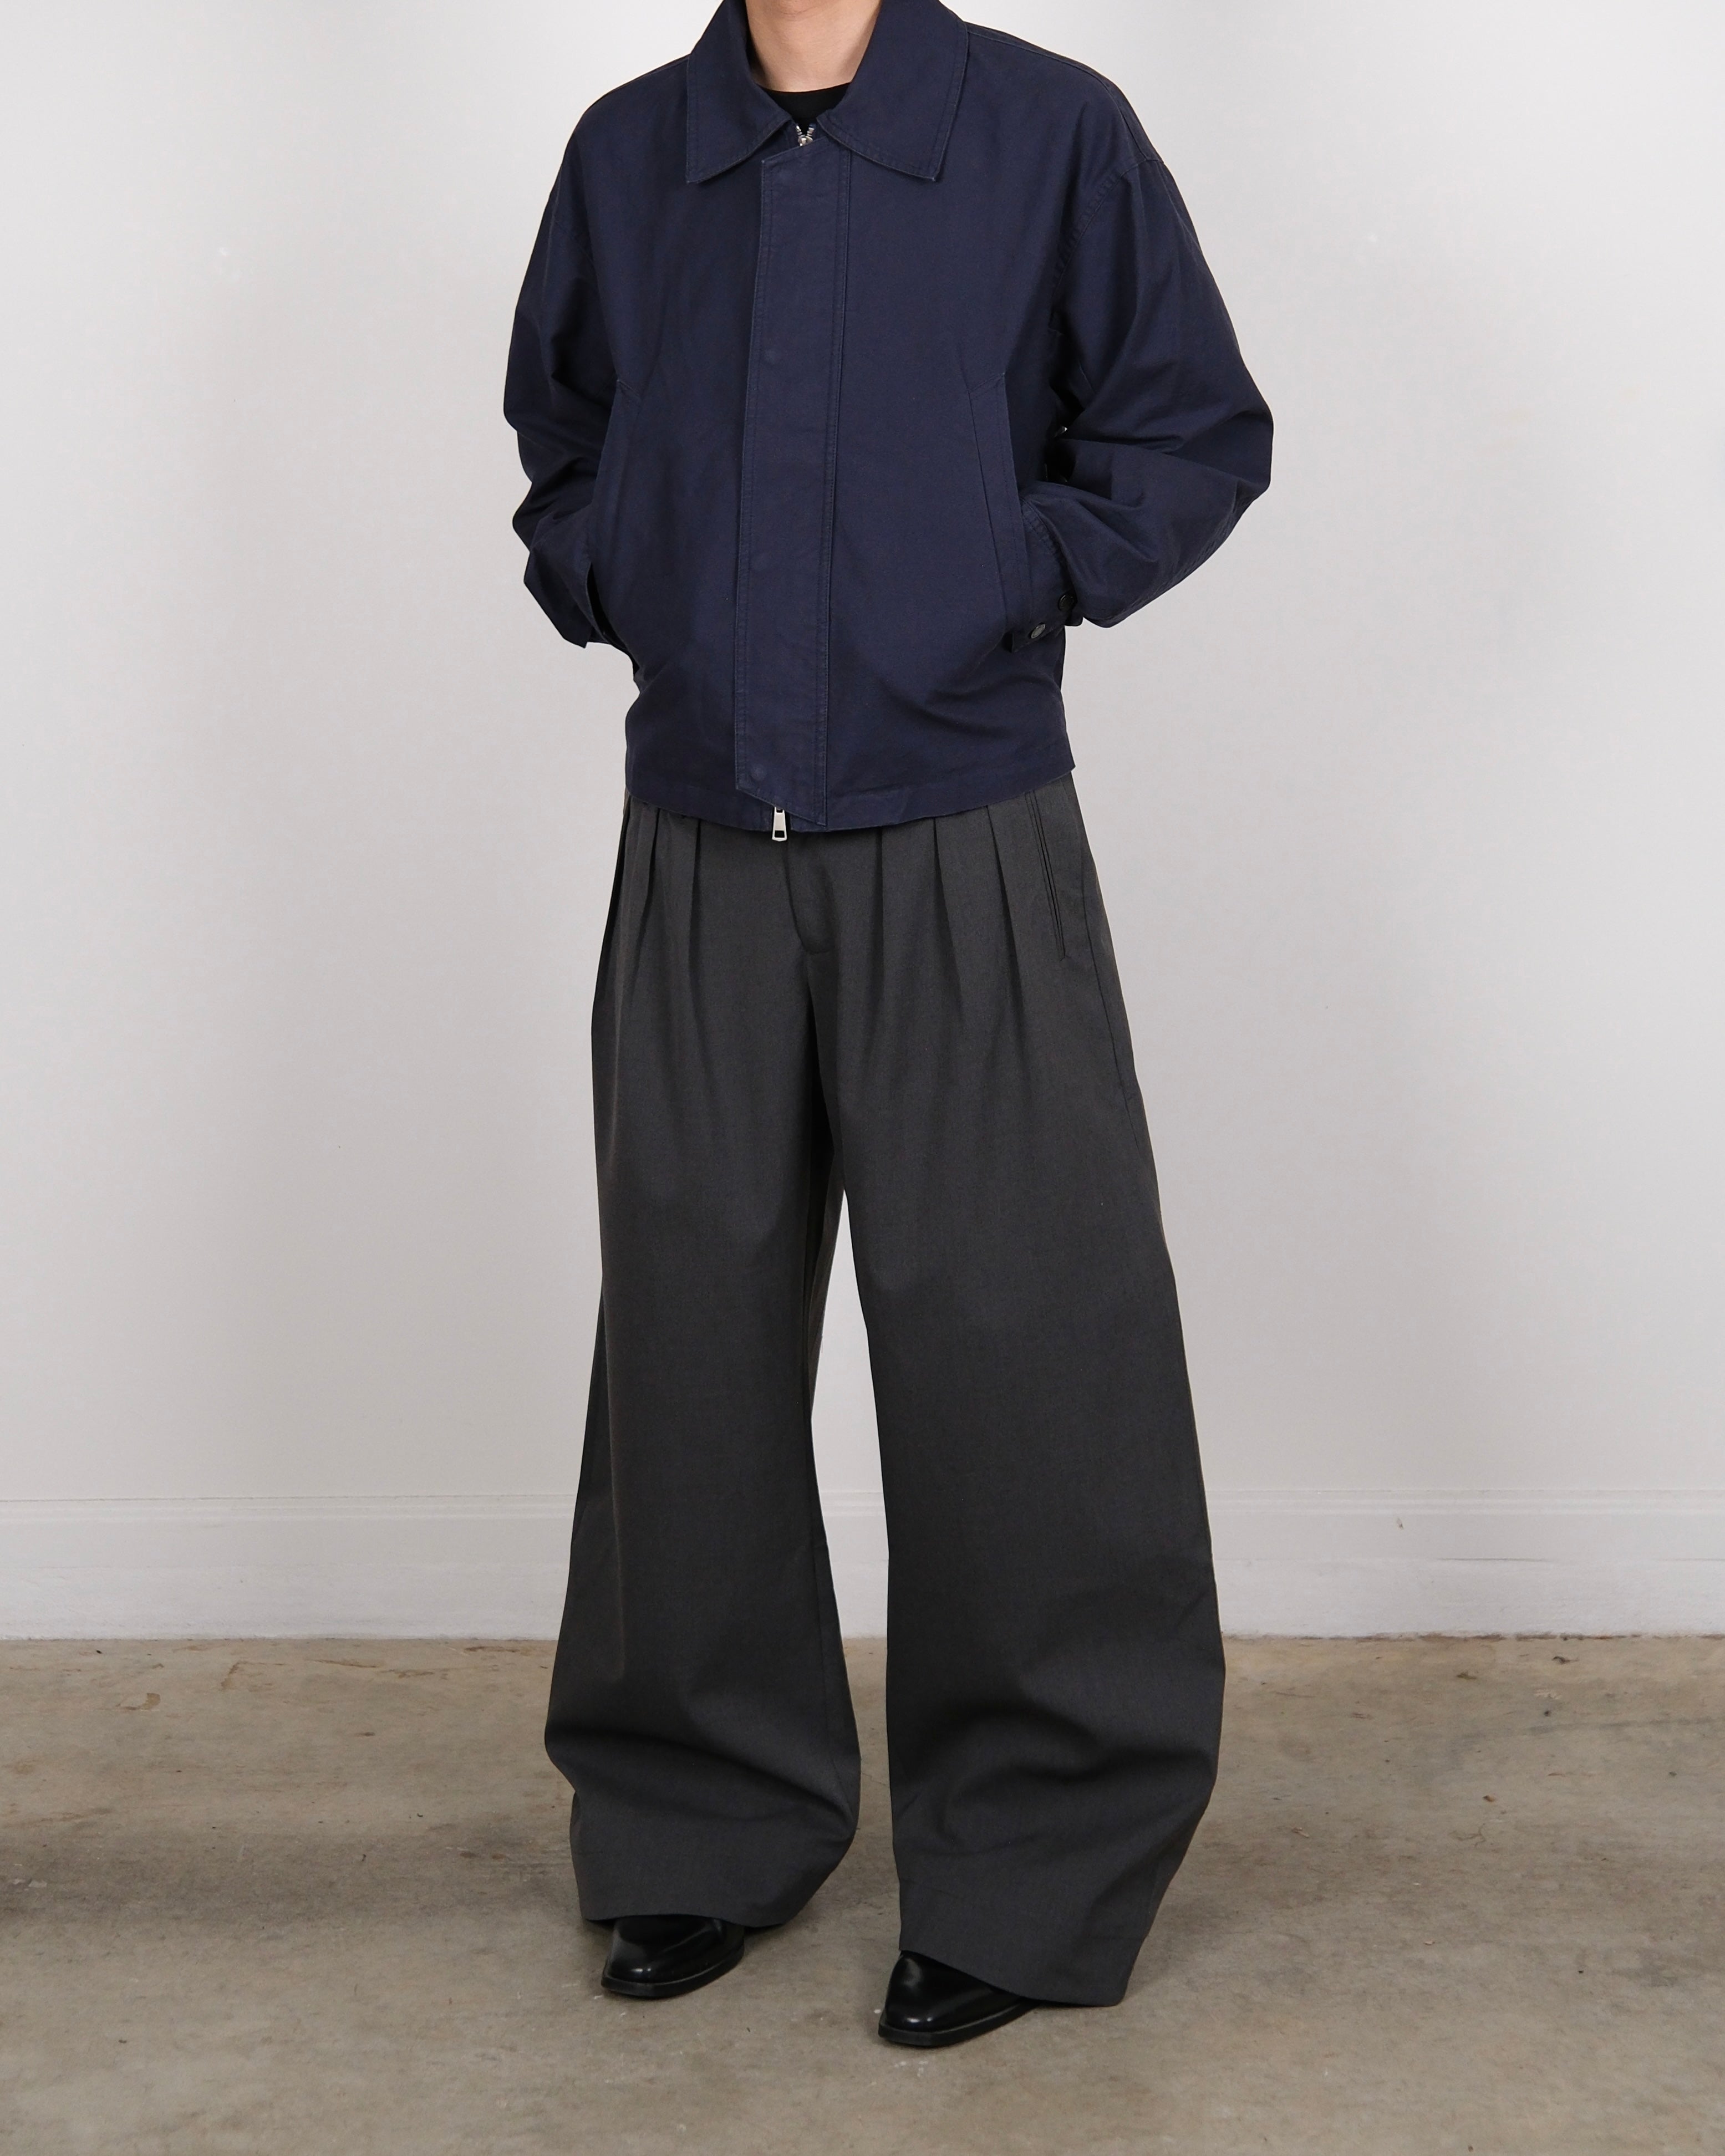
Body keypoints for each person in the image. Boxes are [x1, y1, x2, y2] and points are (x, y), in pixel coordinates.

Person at [505, 0, 1270, 2049]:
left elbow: (1191, 429)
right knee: (686, 1348)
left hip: (965, 830)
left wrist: (1007, 571)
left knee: (1025, 1350)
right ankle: (697, 1819)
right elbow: (564, 434)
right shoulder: (631, 150)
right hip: (697, 842)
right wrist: (626, 565)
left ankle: (1036, 1859)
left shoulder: (1049, 133)